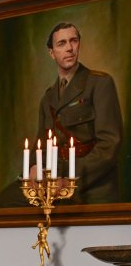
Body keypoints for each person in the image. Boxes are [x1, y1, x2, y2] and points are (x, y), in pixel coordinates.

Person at [36, 22, 122, 204]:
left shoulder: (100, 83)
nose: (69, 48)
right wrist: (35, 167)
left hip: (93, 188)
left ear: (79, 44)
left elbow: (109, 145)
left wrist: (69, 178)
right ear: (51, 53)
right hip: (55, 187)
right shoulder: (48, 98)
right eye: (61, 43)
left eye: (73, 41)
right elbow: (41, 147)